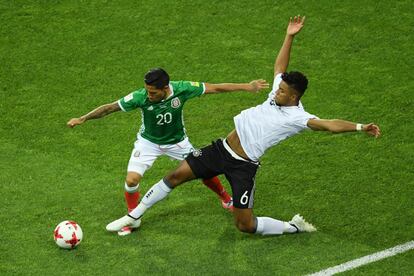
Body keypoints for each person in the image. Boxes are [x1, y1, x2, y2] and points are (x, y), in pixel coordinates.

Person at [106, 15, 381, 236]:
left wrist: (359, 127)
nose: (276, 91)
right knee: (175, 176)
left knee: (245, 225)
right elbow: (279, 67)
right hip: (221, 149)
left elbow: (329, 125)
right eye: (279, 87)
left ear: (294, 97)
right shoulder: (278, 92)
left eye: (283, 90)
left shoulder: (298, 117)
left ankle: (292, 226)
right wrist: (289, 36)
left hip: (243, 166)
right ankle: (133, 216)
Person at [67, 68, 269, 235]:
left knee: (204, 170)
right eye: (147, 91)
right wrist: (83, 118)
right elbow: (110, 108)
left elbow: (215, 88)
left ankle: (226, 199)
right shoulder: (140, 97)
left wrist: (247, 86)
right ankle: (133, 217)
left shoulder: (182, 89)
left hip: (177, 143)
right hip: (148, 143)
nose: (149, 95)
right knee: (131, 180)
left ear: (165, 88)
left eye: (153, 92)